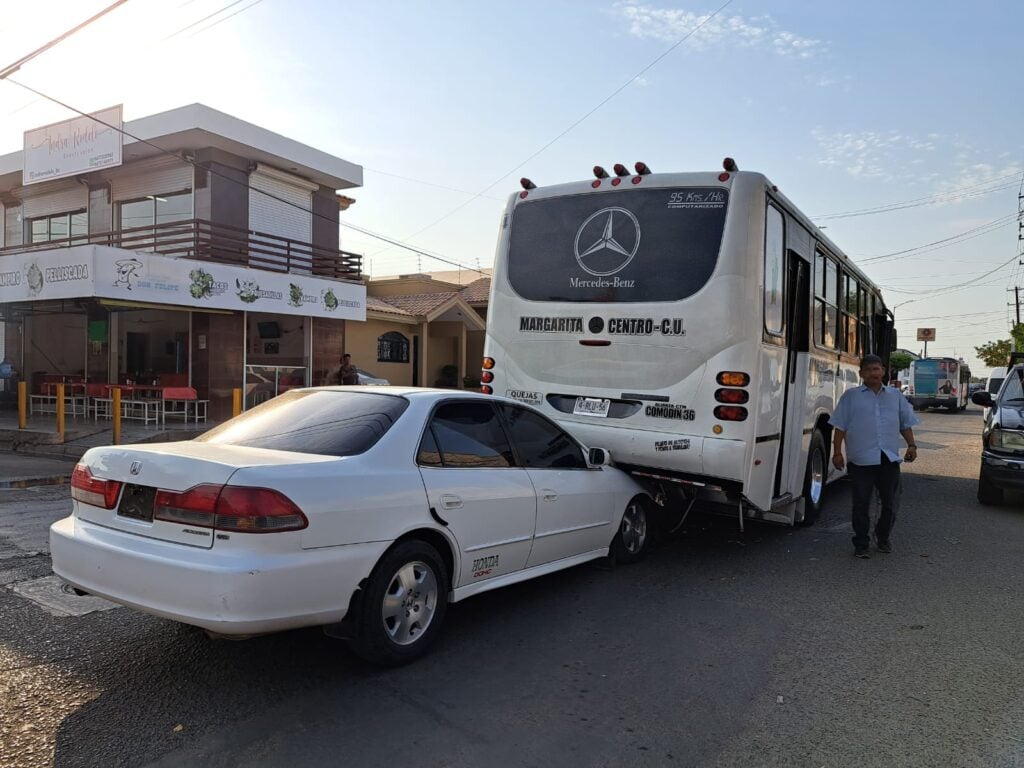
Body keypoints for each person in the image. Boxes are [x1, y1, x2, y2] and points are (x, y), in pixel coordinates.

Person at [829, 354, 919, 559]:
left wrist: (912, 445)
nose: (874, 373)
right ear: (861, 374)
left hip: (888, 458)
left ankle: (883, 536)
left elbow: (905, 423)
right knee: (861, 503)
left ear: (884, 371)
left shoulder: (895, 396)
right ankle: (861, 543)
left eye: (877, 369)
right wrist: (836, 452)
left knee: (890, 503)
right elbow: (840, 427)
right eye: (869, 370)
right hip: (861, 460)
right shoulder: (851, 397)